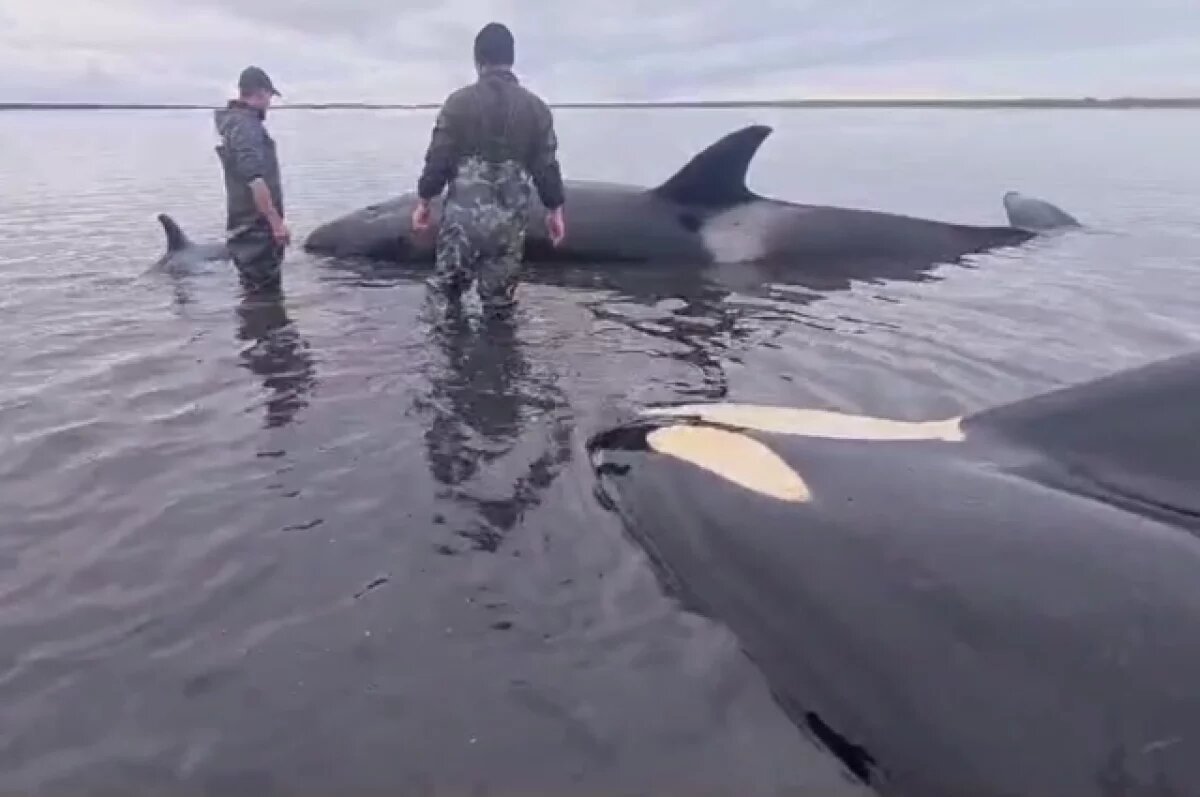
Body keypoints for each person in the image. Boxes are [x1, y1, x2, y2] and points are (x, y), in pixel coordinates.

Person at [412, 22, 566, 314]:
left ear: (477, 60)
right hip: (507, 229)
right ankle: (501, 359)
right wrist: (555, 210)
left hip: (462, 227)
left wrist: (424, 200)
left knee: (446, 302)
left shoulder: (458, 103)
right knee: (499, 309)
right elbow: (546, 166)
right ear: (511, 58)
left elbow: (438, 158)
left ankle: (448, 360)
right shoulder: (536, 109)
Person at [214, 65, 289, 292]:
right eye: (269, 96)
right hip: (256, 231)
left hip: (245, 228)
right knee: (265, 295)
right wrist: (276, 223)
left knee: (254, 297)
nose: (269, 103)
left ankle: (253, 327)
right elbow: (254, 178)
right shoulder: (246, 126)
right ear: (260, 92)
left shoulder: (234, 124)